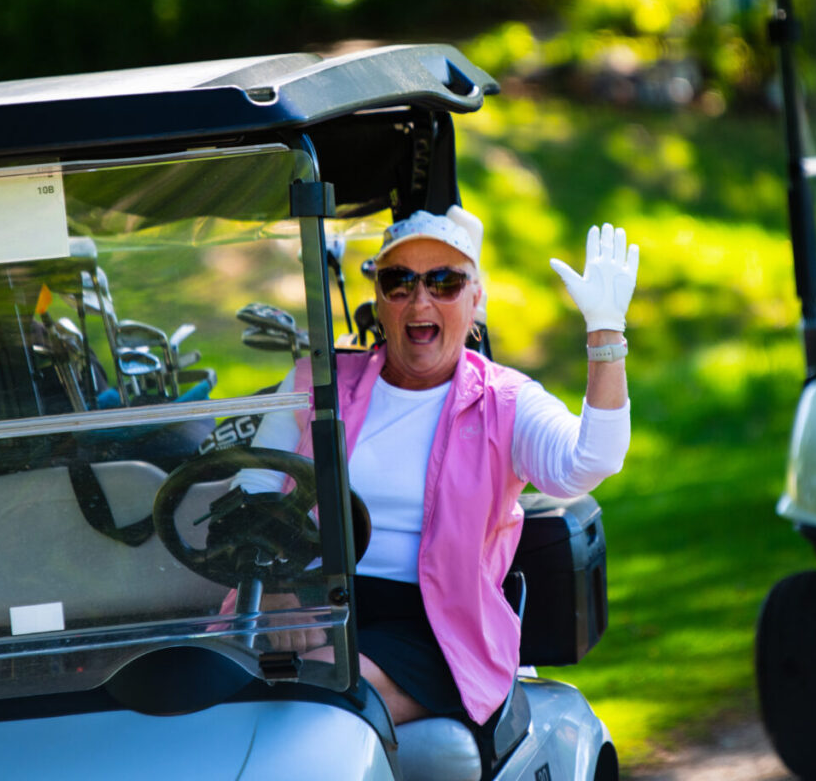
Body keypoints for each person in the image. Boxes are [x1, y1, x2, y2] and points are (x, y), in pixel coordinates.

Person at [237, 206, 637, 730]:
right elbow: (252, 497)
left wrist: (605, 334)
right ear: (379, 300)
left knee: (312, 694)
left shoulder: (505, 400)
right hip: (311, 606)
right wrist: (279, 591)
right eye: (399, 282)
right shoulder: (317, 382)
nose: (420, 300)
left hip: (435, 628)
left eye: (445, 282)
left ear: (475, 302)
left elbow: (591, 461)